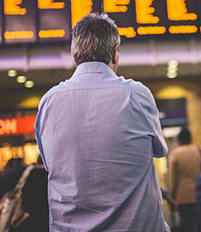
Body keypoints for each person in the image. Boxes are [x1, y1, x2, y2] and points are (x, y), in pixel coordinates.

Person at [32, 13, 169, 231]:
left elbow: (51, 164)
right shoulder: (137, 95)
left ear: (74, 55)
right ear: (115, 53)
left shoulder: (49, 101)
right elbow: (159, 151)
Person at [167, 127, 201, 232]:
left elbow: (173, 179)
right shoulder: (200, 150)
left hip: (184, 196)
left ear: (179, 140)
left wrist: (171, 197)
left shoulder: (175, 154)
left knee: (187, 224)